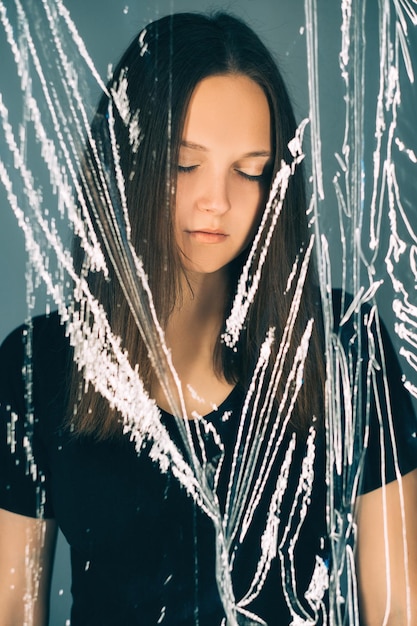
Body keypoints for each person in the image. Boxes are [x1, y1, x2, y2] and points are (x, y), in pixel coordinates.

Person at [0, 11, 416, 626]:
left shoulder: (342, 349)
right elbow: (12, 606)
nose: (217, 200)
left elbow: (400, 606)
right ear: (127, 163)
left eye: (249, 171)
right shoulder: (42, 368)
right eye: (183, 164)